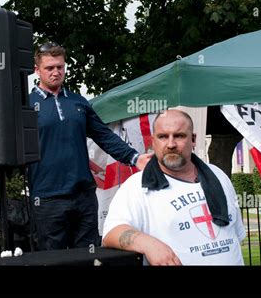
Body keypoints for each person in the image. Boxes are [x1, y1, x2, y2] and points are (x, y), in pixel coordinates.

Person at [0, 42, 152, 251]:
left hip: (84, 197)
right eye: (49, 68)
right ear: (37, 70)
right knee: (53, 261)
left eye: (60, 67)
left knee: (88, 258)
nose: (55, 72)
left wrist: (134, 157)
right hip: (47, 199)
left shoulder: (79, 103)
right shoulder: (26, 108)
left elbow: (104, 136)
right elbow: (10, 150)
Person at [102, 109, 245, 265]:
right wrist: (150, 245)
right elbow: (111, 232)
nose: (171, 144)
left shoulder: (218, 175)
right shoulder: (137, 186)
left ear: (193, 139)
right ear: (153, 141)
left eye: (179, 136)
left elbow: (235, 234)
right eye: (163, 136)